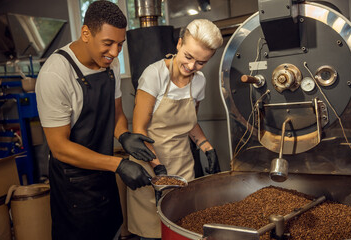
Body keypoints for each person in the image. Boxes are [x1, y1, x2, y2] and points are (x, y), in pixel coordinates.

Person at [35, 1, 156, 239]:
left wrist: (124, 135)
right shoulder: (55, 75)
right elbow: (59, 148)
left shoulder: (110, 63)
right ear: (86, 33)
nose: (114, 52)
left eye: (120, 45)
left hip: (104, 176)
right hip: (74, 187)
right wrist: (118, 164)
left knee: (110, 231)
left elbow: (116, 112)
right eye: (108, 43)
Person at [127, 19, 223, 239]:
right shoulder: (154, 74)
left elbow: (190, 123)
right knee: (151, 232)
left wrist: (206, 146)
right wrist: (160, 172)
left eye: (200, 63)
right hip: (149, 167)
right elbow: (139, 130)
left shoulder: (199, 82)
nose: (191, 67)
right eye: (188, 57)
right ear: (179, 44)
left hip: (182, 166)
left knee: (182, 229)